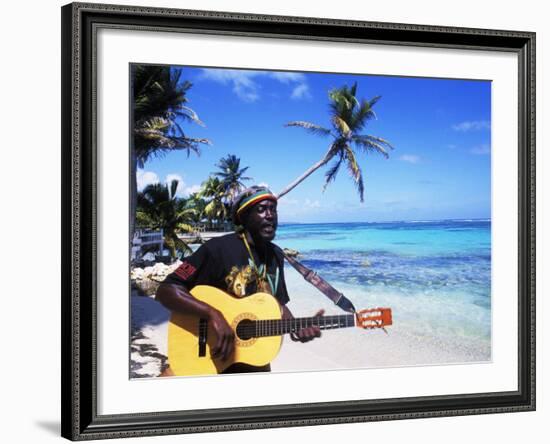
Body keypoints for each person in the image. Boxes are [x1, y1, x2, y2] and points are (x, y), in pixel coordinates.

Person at [156, 186, 323, 375]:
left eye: (273, 209)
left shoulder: (276, 254)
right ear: (244, 217)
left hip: (254, 361)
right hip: (209, 359)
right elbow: (167, 290)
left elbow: (276, 305)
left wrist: (295, 326)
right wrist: (213, 315)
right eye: (261, 210)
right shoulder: (216, 249)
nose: (270, 215)